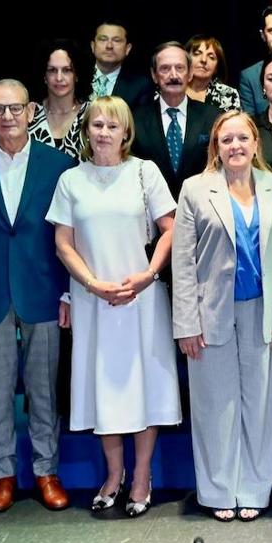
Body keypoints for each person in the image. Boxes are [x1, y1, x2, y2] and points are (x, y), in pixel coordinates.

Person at [46, 96, 181, 518]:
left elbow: (171, 229)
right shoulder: (71, 180)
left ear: (126, 131)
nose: (103, 132)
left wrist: (148, 275)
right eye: (96, 124)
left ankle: (141, 476)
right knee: (103, 386)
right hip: (94, 299)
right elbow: (62, 243)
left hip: (141, 298)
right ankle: (113, 474)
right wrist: (91, 284)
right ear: (86, 130)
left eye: (112, 125)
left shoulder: (145, 172)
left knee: (145, 387)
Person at [172, 111, 272, 522]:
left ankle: (255, 490)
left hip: (263, 311)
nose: (235, 147)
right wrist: (186, 323)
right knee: (214, 406)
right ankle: (218, 491)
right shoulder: (194, 190)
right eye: (226, 140)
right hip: (210, 315)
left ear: (255, 143)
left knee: (259, 406)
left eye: (242, 138)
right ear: (216, 146)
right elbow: (183, 264)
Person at [0, 80, 76, 513]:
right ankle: (3, 473)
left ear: (31, 111)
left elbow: (68, 234)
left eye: (15, 109)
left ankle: (47, 470)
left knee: (44, 388)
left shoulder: (59, 165)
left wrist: (68, 292)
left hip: (44, 289)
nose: (8, 117)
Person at [130, 42, 221, 202]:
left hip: (202, 212)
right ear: (154, 75)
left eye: (180, 68)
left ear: (190, 73)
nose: (173, 75)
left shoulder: (213, 117)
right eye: (165, 69)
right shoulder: (135, 119)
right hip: (150, 216)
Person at [29, 39, 89, 160]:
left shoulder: (92, 113)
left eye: (67, 70)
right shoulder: (30, 113)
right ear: (44, 76)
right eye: (52, 70)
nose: (59, 77)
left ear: (77, 75)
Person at [89, 20, 152, 107]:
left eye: (116, 40)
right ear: (93, 46)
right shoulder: (76, 78)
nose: (109, 46)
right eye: (103, 40)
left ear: (127, 49)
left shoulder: (140, 86)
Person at [185, 34, 241, 113]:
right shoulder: (172, 89)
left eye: (211, 57)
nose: (203, 60)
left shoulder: (228, 95)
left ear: (217, 68)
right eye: (197, 54)